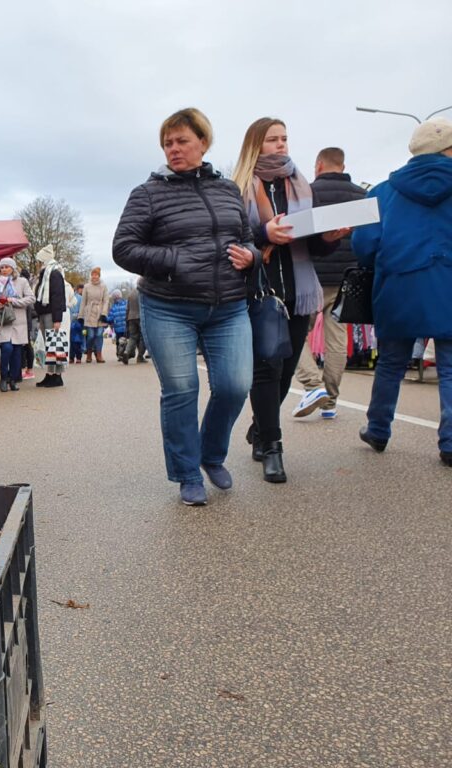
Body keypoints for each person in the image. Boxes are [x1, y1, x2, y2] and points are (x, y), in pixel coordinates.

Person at [114, 107, 255, 506]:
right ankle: (187, 472)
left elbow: (247, 238)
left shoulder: (228, 190)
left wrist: (252, 256)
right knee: (181, 389)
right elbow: (123, 248)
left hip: (228, 306)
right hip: (168, 306)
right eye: (167, 143)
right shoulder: (147, 193)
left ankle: (211, 455)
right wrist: (174, 260)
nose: (173, 149)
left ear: (203, 143)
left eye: (182, 141)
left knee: (234, 385)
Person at [233, 118, 345, 483]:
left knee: (284, 372)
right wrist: (264, 232)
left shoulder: (301, 186)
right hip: (260, 290)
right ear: (256, 145)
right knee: (267, 369)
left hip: (300, 292)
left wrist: (329, 238)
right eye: (272, 140)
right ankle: (274, 447)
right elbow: (230, 236)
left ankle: (260, 430)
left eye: (284, 138)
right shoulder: (238, 187)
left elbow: (313, 248)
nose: (281, 145)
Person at [352, 117, 452, 467]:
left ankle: (378, 429)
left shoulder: (382, 191)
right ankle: (451, 443)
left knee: (391, 364)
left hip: (398, 286)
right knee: (451, 368)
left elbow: (364, 245)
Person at [292, 147, 367, 420]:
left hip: (312, 276)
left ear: (319, 165)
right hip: (348, 279)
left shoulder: (308, 194)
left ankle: (313, 385)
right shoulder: (361, 196)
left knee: (295, 334)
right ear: (343, 165)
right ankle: (331, 401)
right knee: (337, 339)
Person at [0, 258, 36, 392]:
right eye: (2, 267)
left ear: (13, 268)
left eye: (7, 267)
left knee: (17, 352)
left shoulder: (22, 282)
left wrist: (13, 301)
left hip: (18, 321)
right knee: (7, 348)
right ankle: (4, 377)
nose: (4, 269)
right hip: (3, 321)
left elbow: (31, 298)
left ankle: (13, 379)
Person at [33, 244, 69, 388]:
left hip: (51, 314)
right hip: (44, 313)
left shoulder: (54, 274)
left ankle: (57, 376)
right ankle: (51, 374)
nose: (38, 263)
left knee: (54, 345)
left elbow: (57, 296)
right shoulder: (46, 274)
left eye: (39, 261)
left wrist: (57, 319)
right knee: (50, 346)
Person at [78, 269, 109, 362]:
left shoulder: (103, 286)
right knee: (90, 335)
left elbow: (106, 301)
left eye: (96, 275)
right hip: (89, 313)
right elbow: (83, 302)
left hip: (100, 313)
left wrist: (104, 313)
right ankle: (89, 353)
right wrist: (81, 315)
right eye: (93, 274)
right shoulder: (87, 287)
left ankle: (99, 354)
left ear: (99, 276)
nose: (94, 276)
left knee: (99, 334)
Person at [20, 268, 38, 379]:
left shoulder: (26, 287)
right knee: (26, 345)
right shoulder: (31, 285)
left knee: (26, 345)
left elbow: (31, 305)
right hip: (28, 320)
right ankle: (27, 369)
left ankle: (28, 370)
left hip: (26, 320)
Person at [124, 288, 147, 363]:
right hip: (141, 317)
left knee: (132, 337)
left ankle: (126, 351)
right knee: (143, 337)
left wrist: (126, 319)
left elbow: (127, 308)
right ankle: (140, 356)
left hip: (131, 318)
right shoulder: (144, 292)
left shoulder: (131, 293)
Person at [108, 289, 128, 361]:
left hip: (118, 328)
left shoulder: (113, 307)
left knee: (119, 342)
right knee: (124, 341)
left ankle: (120, 354)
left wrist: (105, 319)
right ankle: (123, 353)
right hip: (124, 327)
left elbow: (110, 318)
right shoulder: (126, 303)